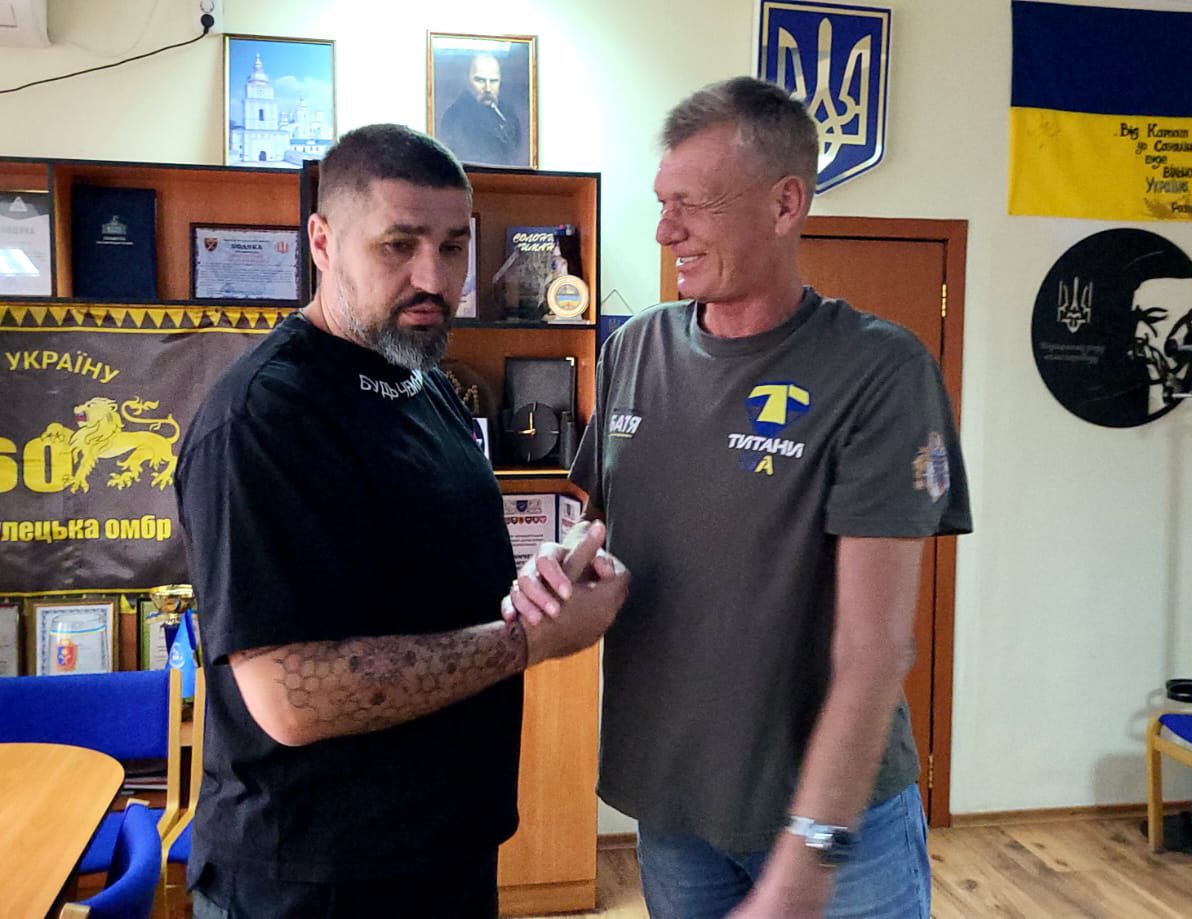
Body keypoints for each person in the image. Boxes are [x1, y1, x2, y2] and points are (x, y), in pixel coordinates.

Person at [506, 77, 972, 918]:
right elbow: (605, 534)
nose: (665, 230)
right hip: (675, 810)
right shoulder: (634, 349)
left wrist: (809, 855)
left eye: (692, 204)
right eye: (663, 203)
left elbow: (875, 649)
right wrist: (560, 568)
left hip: (832, 823)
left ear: (785, 203)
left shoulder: (880, 370)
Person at [175, 123, 628, 919]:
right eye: (399, 245)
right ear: (322, 242)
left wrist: (539, 584)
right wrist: (531, 639)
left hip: (442, 848)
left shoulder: (425, 384)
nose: (434, 278)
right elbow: (290, 695)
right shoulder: (264, 417)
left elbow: (433, 585)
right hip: (313, 880)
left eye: (454, 247)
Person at [437, 53, 523, 167]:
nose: (488, 88)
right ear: (467, 81)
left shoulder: (508, 115)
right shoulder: (454, 117)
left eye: (493, 81)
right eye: (480, 80)